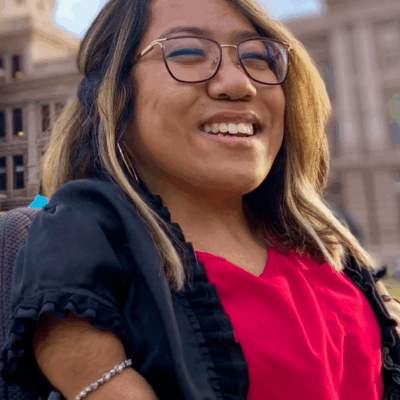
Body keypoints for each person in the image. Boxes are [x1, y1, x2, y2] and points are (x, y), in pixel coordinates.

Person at [1, 0, 400, 398]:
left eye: (260, 58)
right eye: (188, 53)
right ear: (115, 95)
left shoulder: (322, 234)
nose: (239, 84)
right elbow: (70, 339)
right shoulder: (88, 227)